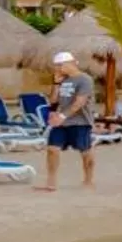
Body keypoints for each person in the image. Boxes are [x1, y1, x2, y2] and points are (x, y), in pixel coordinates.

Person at [39, 50, 98, 191]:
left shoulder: (85, 79)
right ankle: (51, 181)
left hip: (80, 122)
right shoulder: (62, 80)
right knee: (52, 149)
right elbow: (53, 100)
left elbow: (80, 102)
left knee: (85, 152)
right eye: (56, 65)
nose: (58, 68)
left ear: (71, 63)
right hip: (61, 122)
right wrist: (56, 83)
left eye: (60, 65)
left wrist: (62, 116)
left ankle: (88, 179)